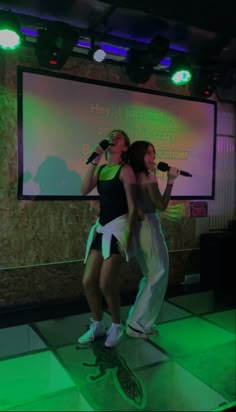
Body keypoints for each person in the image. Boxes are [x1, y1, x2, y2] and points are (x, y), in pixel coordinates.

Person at [78, 130, 137, 348]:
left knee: (106, 283)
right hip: (102, 229)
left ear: (125, 147)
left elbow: (133, 206)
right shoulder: (102, 168)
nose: (113, 137)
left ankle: (116, 325)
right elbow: (84, 189)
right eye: (111, 135)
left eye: (119, 137)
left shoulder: (126, 170)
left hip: (118, 230)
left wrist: (129, 237)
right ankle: (97, 325)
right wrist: (95, 159)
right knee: (88, 281)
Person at [125, 140, 180, 339]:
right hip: (148, 226)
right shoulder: (147, 177)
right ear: (139, 155)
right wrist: (171, 180)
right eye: (148, 153)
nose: (153, 158)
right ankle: (136, 324)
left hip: (140, 228)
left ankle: (140, 321)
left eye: (154, 153)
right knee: (158, 272)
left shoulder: (133, 175)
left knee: (151, 274)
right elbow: (162, 205)